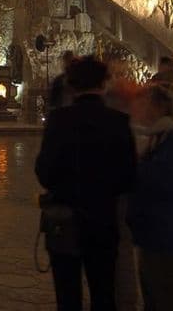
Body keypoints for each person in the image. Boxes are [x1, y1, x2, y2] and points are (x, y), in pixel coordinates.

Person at [36, 56, 137, 311]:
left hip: (65, 218)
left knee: (67, 294)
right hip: (103, 218)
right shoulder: (118, 121)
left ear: (71, 85)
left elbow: (44, 170)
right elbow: (129, 175)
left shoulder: (59, 120)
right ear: (104, 84)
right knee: (103, 292)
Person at [127, 83, 173, 311]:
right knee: (152, 295)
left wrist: (134, 164)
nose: (137, 108)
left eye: (143, 103)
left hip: (166, 233)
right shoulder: (156, 137)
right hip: (150, 232)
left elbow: (164, 181)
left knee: (166, 296)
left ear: (157, 107)